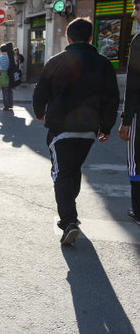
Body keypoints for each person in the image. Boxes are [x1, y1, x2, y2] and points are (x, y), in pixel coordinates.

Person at [33, 17, 119, 245]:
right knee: (72, 169)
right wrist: (106, 126)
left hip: (61, 129)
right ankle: (68, 208)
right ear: (91, 37)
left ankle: (69, 221)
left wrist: (39, 112)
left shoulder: (55, 61)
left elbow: (40, 91)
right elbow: (112, 98)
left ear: (68, 38)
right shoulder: (103, 63)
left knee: (61, 175)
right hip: (89, 131)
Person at [118, 0, 140, 225]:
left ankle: (138, 210)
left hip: (139, 116)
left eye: (137, 8)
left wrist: (126, 121)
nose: (133, 14)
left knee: (136, 161)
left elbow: (133, 85)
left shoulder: (139, 41)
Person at [0, 44, 13, 111]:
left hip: (3, 75)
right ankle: (10, 104)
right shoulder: (11, 57)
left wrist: (1, 69)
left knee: (5, 91)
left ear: (1, 50)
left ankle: (6, 106)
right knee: (10, 91)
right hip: (10, 75)